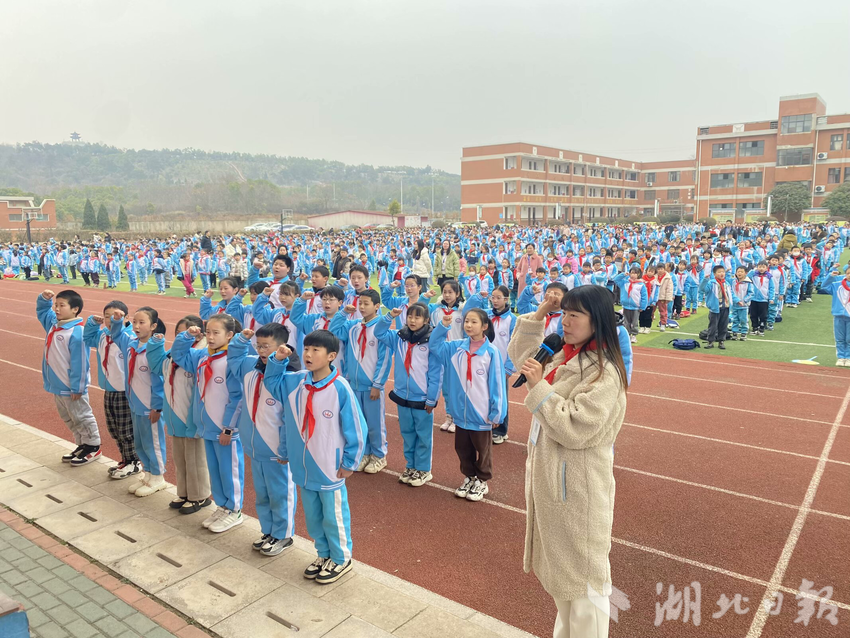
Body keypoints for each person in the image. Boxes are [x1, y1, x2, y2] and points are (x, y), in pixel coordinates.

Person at [508, 285, 628, 638]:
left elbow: (575, 427)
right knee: (565, 586)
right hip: (554, 484)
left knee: (586, 588)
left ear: (599, 321)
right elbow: (521, 354)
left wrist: (538, 388)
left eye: (576, 315)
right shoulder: (567, 356)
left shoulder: (604, 373)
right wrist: (543, 308)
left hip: (578, 490)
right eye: (565, 313)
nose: (566, 321)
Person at [263, 330, 368, 584]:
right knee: (312, 515)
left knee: (333, 515)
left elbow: (357, 428)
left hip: (328, 465)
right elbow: (274, 389)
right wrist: (277, 361)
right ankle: (323, 554)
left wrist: (350, 463)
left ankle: (341, 558)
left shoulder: (340, 388)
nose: (308, 355)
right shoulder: (296, 382)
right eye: (306, 349)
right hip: (302, 465)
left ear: (331, 356)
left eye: (316, 350)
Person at [228, 324, 299, 556]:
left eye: (266, 346)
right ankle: (268, 531)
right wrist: (240, 340)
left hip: (276, 449)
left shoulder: (289, 377)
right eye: (258, 345)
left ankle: (283, 535)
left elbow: (290, 418)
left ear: (282, 347)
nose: (261, 350)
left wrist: (285, 449)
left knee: (280, 492)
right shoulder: (250, 366)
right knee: (262, 494)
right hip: (254, 446)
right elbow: (234, 358)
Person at [171, 314, 245, 533]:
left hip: (224, 429)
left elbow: (237, 397)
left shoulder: (232, 360)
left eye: (217, 333)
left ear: (230, 335)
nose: (211, 337)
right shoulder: (203, 355)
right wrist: (186, 336)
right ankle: (222, 506)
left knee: (229, 470)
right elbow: (178, 354)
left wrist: (229, 428)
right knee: (215, 470)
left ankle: (235, 510)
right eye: (208, 332)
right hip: (207, 427)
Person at [431, 307, 507, 502]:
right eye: (466, 321)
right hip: (460, 414)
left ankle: (482, 480)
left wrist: (497, 412)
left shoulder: (491, 352)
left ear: (484, 326)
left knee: (483, 449)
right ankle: (469, 477)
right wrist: (443, 326)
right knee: (463, 448)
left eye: (474, 322)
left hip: (481, 413)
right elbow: (434, 346)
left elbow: (497, 383)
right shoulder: (455, 347)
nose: (469, 325)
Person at [147, 316, 213, 515]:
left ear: (197, 334)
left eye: (185, 334)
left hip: (190, 417)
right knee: (181, 458)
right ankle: (184, 492)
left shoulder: (200, 355)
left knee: (195, 460)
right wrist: (155, 343)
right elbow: (156, 365)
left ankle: (200, 496)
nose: (180, 338)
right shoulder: (169, 356)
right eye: (177, 334)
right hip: (175, 416)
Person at [375, 302, 441, 487]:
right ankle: (411, 466)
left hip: (422, 398)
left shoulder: (431, 342)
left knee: (423, 435)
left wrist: (432, 398)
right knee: (407, 433)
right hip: (402, 396)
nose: (412, 320)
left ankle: (423, 469)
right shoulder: (399, 338)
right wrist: (389, 317)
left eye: (417, 317)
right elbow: (379, 332)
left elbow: (436, 373)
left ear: (426, 320)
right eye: (410, 316)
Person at [107, 306, 168, 496]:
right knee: (140, 442)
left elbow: (159, 382)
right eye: (134, 322)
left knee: (153, 443)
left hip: (150, 406)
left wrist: (157, 407)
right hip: (135, 404)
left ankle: (158, 477)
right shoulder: (131, 344)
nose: (136, 326)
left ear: (153, 326)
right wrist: (117, 321)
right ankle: (148, 473)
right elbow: (116, 334)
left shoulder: (155, 350)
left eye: (142, 322)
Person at [36, 289, 102, 466]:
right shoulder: (54, 324)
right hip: (56, 385)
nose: (56, 309)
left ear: (75, 309)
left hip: (71, 387)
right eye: (56, 305)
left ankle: (94, 446)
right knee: (69, 417)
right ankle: (82, 444)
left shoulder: (77, 332)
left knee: (81, 415)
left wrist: (78, 387)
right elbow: (43, 312)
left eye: (61, 305)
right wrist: (44, 300)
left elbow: (80, 362)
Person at [330, 289, 392, 474]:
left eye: (367, 303)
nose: (362, 307)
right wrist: (343, 313)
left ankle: (379, 455)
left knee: (375, 423)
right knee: (360, 421)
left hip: (372, 385)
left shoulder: (381, 329)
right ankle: (365, 453)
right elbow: (334, 331)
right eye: (360, 303)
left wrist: (377, 385)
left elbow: (384, 359)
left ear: (376, 306)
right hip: (354, 383)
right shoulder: (354, 326)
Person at [82, 300, 141, 479]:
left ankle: (133, 462)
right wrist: (92, 323)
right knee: (114, 428)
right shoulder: (102, 336)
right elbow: (87, 338)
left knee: (126, 429)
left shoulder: (129, 337)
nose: (110, 320)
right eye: (107, 316)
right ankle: (124, 459)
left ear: (126, 317)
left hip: (124, 390)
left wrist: (117, 324)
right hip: (109, 389)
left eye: (116, 316)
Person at [820, 265, 850, 366]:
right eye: (848, 273)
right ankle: (841, 357)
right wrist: (830, 276)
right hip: (838, 316)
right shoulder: (838, 284)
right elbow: (824, 287)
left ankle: (849, 357)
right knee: (840, 338)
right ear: (845, 274)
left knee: (849, 339)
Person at [699, 264, 733, 349]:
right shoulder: (712, 283)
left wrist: (737, 301)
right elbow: (703, 290)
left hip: (725, 307)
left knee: (723, 325)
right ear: (715, 274)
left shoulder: (726, 283)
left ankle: (721, 341)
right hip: (715, 308)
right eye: (719, 272)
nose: (721, 273)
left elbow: (731, 294)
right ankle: (710, 341)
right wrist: (705, 280)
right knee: (713, 326)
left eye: (723, 272)